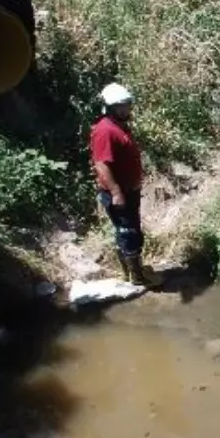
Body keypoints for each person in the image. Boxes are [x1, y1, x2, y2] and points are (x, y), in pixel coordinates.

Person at [90, 83, 161, 288]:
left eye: (128, 104)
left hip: (128, 190)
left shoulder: (119, 125)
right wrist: (116, 192)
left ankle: (131, 272)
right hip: (118, 193)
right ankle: (137, 277)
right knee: (129, 232)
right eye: (122, 106)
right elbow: (102, 165)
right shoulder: (105, 130)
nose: (127, 109)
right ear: (111, 107)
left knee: (128, 230)